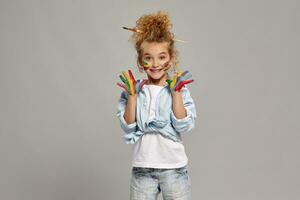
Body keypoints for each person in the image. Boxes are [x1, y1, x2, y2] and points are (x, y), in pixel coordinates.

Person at [116, 11, 197, 200]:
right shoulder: (133, 89)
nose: (155, 64)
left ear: (171, 58)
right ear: (140, 60)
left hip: (174, 168)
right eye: (148, 58)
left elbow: (183, 125)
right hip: (142, 168)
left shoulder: (179, 89)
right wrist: (132, 97)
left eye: (161, 57)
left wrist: (176, 93)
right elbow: (128, 126)